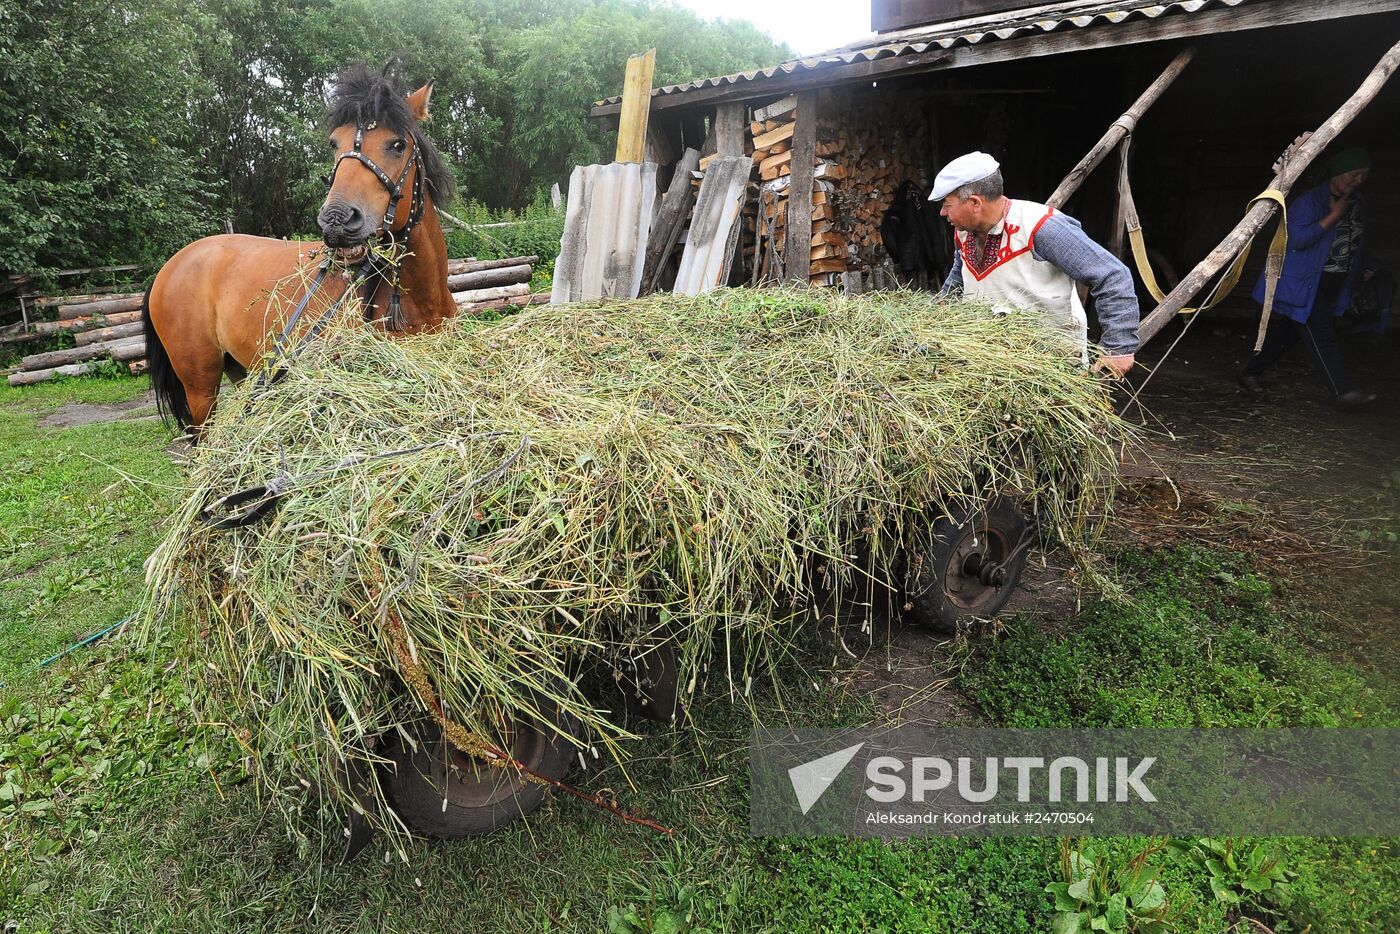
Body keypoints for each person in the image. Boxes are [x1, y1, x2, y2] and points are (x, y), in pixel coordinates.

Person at [931, 151, 1140, 375]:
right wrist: (937, 313)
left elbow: (1111, 275)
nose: (942, 212)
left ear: (974, 202)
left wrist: (1118, 347)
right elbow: (960, 274)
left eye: (946, 204)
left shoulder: (1042, 228)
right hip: (988, 360)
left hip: (1049, 363)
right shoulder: (963, 231)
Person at [1239, 148, 1376, 406]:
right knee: (1322, 334)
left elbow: (1358, 241)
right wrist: (1333, 216)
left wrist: (1366, 267)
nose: (1358, 180)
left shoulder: (1359, 203)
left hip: (1334, 281)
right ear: (1336, 173)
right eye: (1353, 174)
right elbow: (1297, 240)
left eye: (1364, 175)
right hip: (1305, 283)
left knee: (1290, 332)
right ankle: (1342, 391)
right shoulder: (1310, 201)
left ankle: (1249, 372)